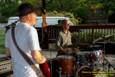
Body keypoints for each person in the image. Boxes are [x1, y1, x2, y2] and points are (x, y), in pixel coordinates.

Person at [5, 3, 50, 77]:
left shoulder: (9, 32)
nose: (36, 17)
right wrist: (44, 59)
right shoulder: (31, 30)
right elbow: (36, 56)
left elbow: (8, 53)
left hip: (16, 73)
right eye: (35, 14)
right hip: (30, 74)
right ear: (29, 16)